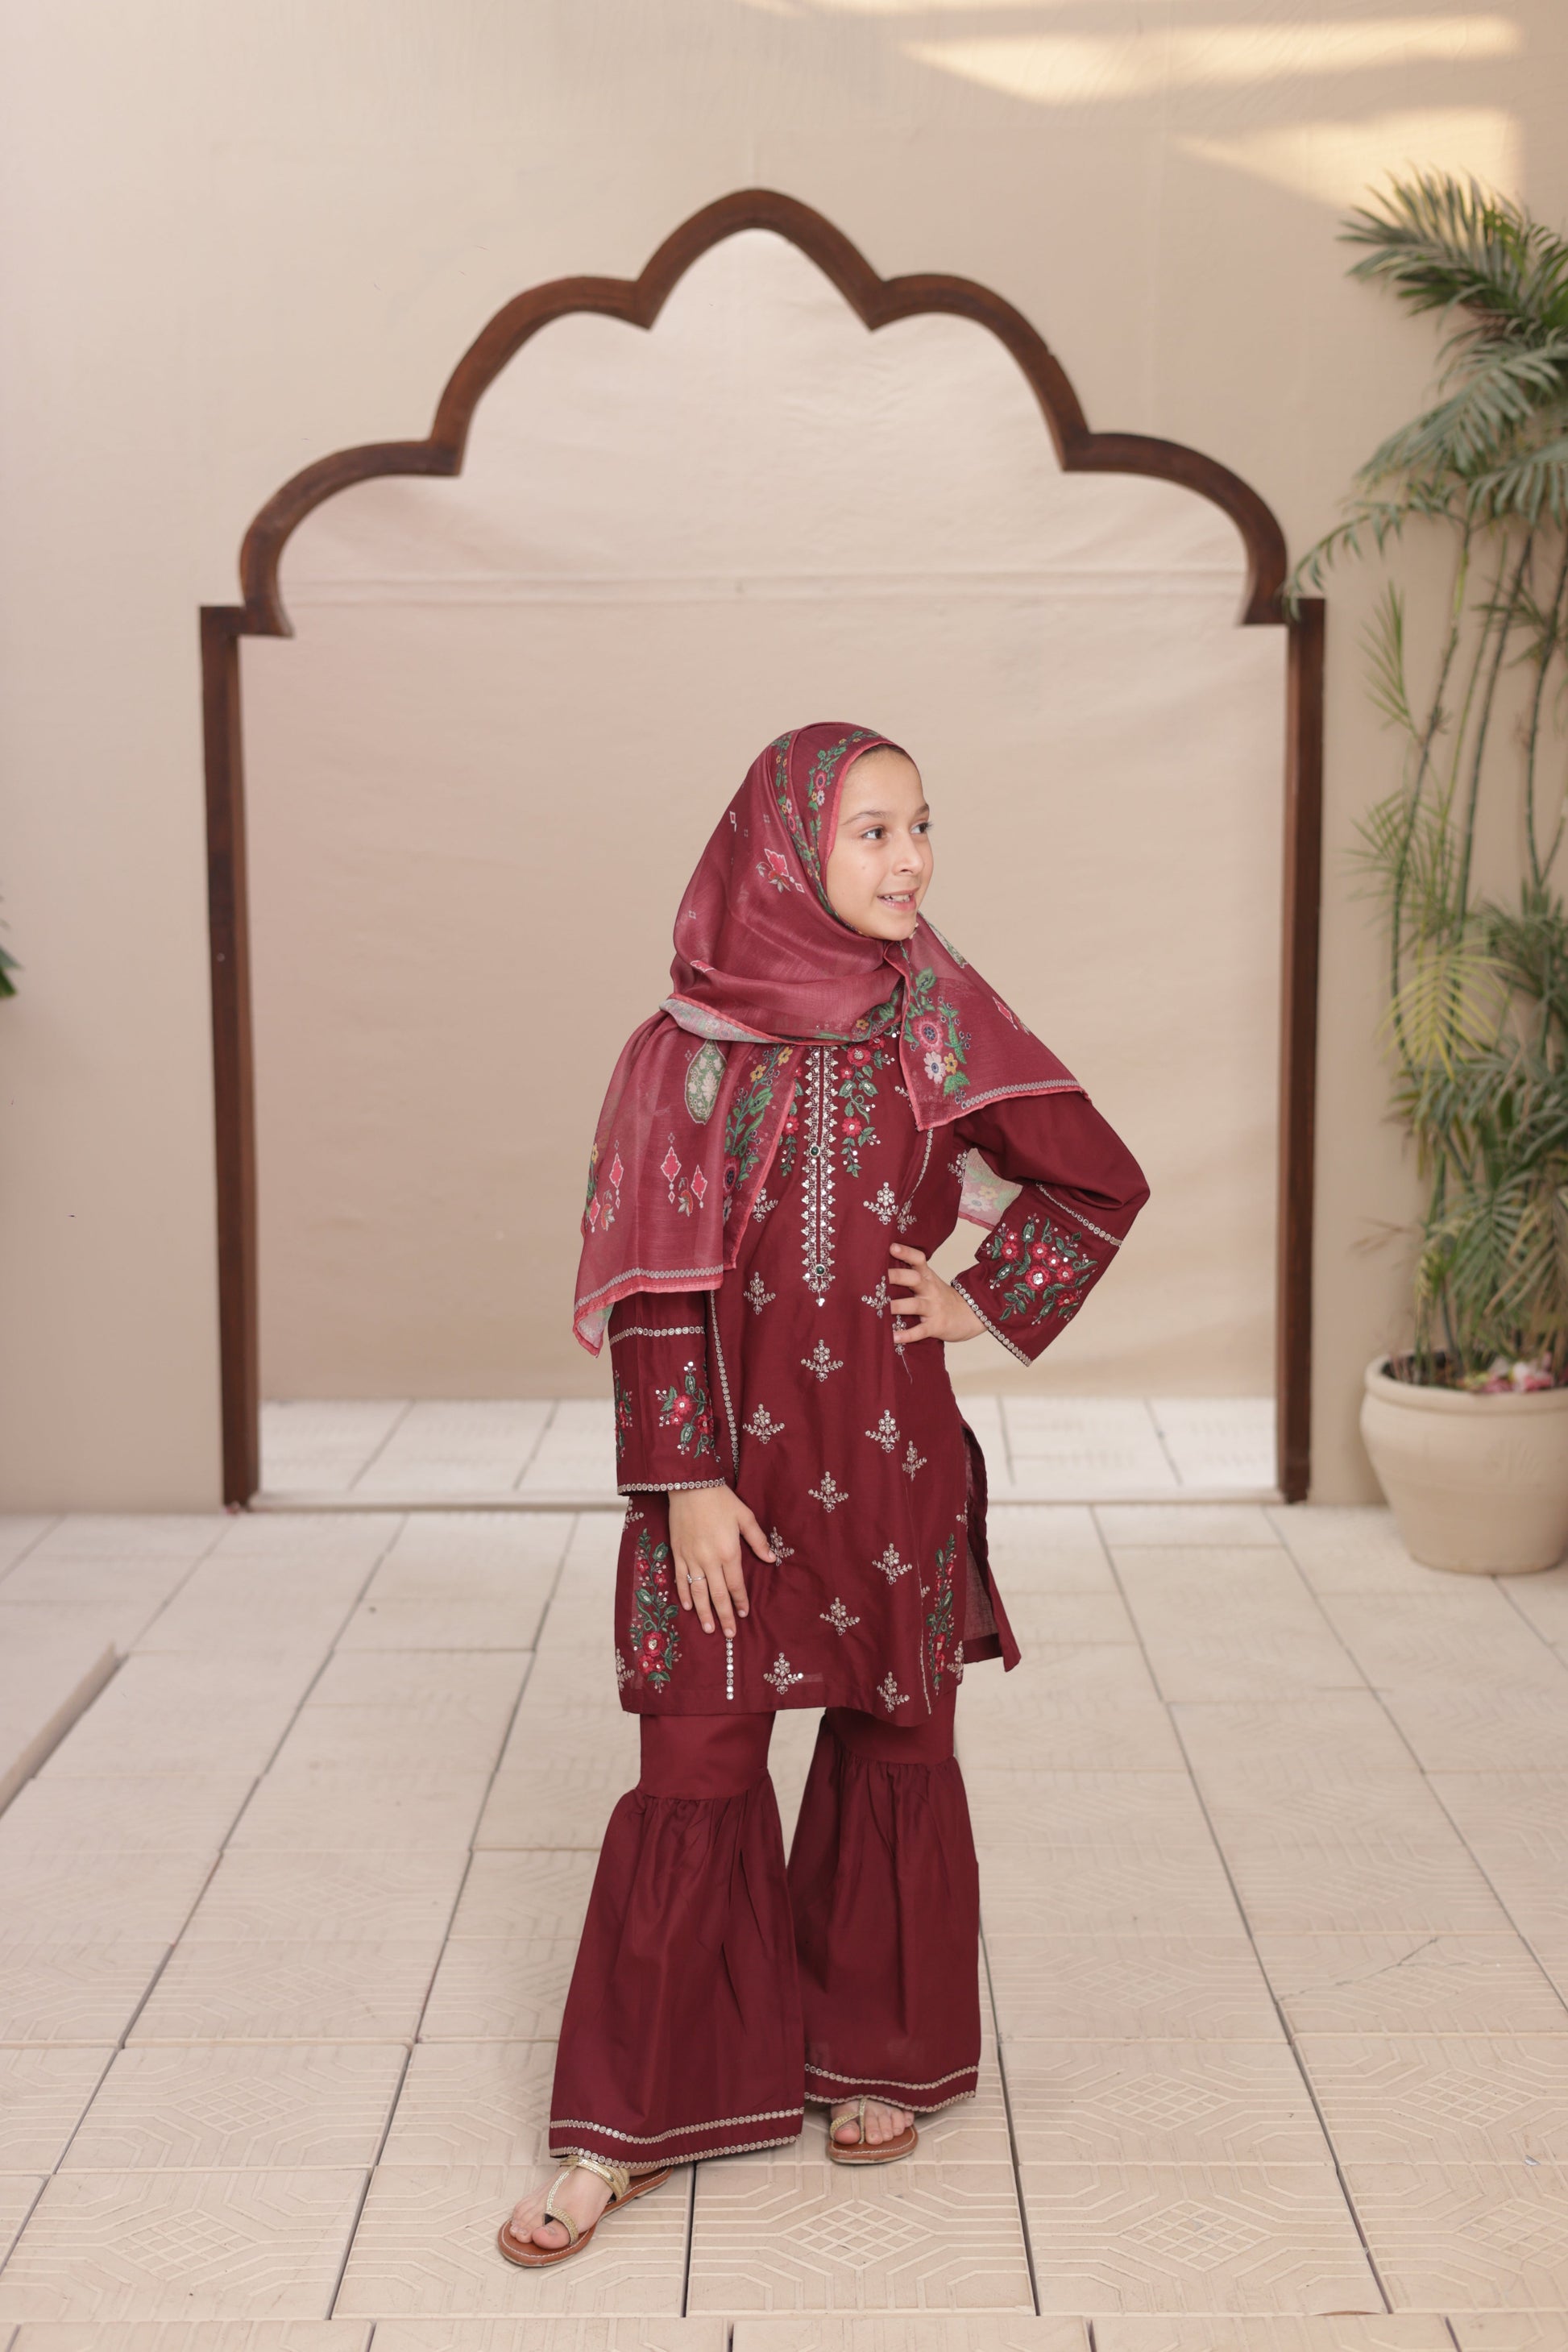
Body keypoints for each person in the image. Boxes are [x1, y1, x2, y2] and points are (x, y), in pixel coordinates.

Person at [500, 722, 1149, 2266]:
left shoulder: (939, 1018)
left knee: (893, 1737)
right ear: (786, 844)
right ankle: (621, 2129)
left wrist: (982, 1300)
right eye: (870, 832)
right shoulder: (685, 1045)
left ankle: (873, 2054)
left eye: (921, 827)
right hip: (734, 1476)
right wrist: (684, 1489)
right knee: (696, 1771)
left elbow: (1091, 1176)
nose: (909, 860)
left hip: (894, 1464)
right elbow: (656, 1290)